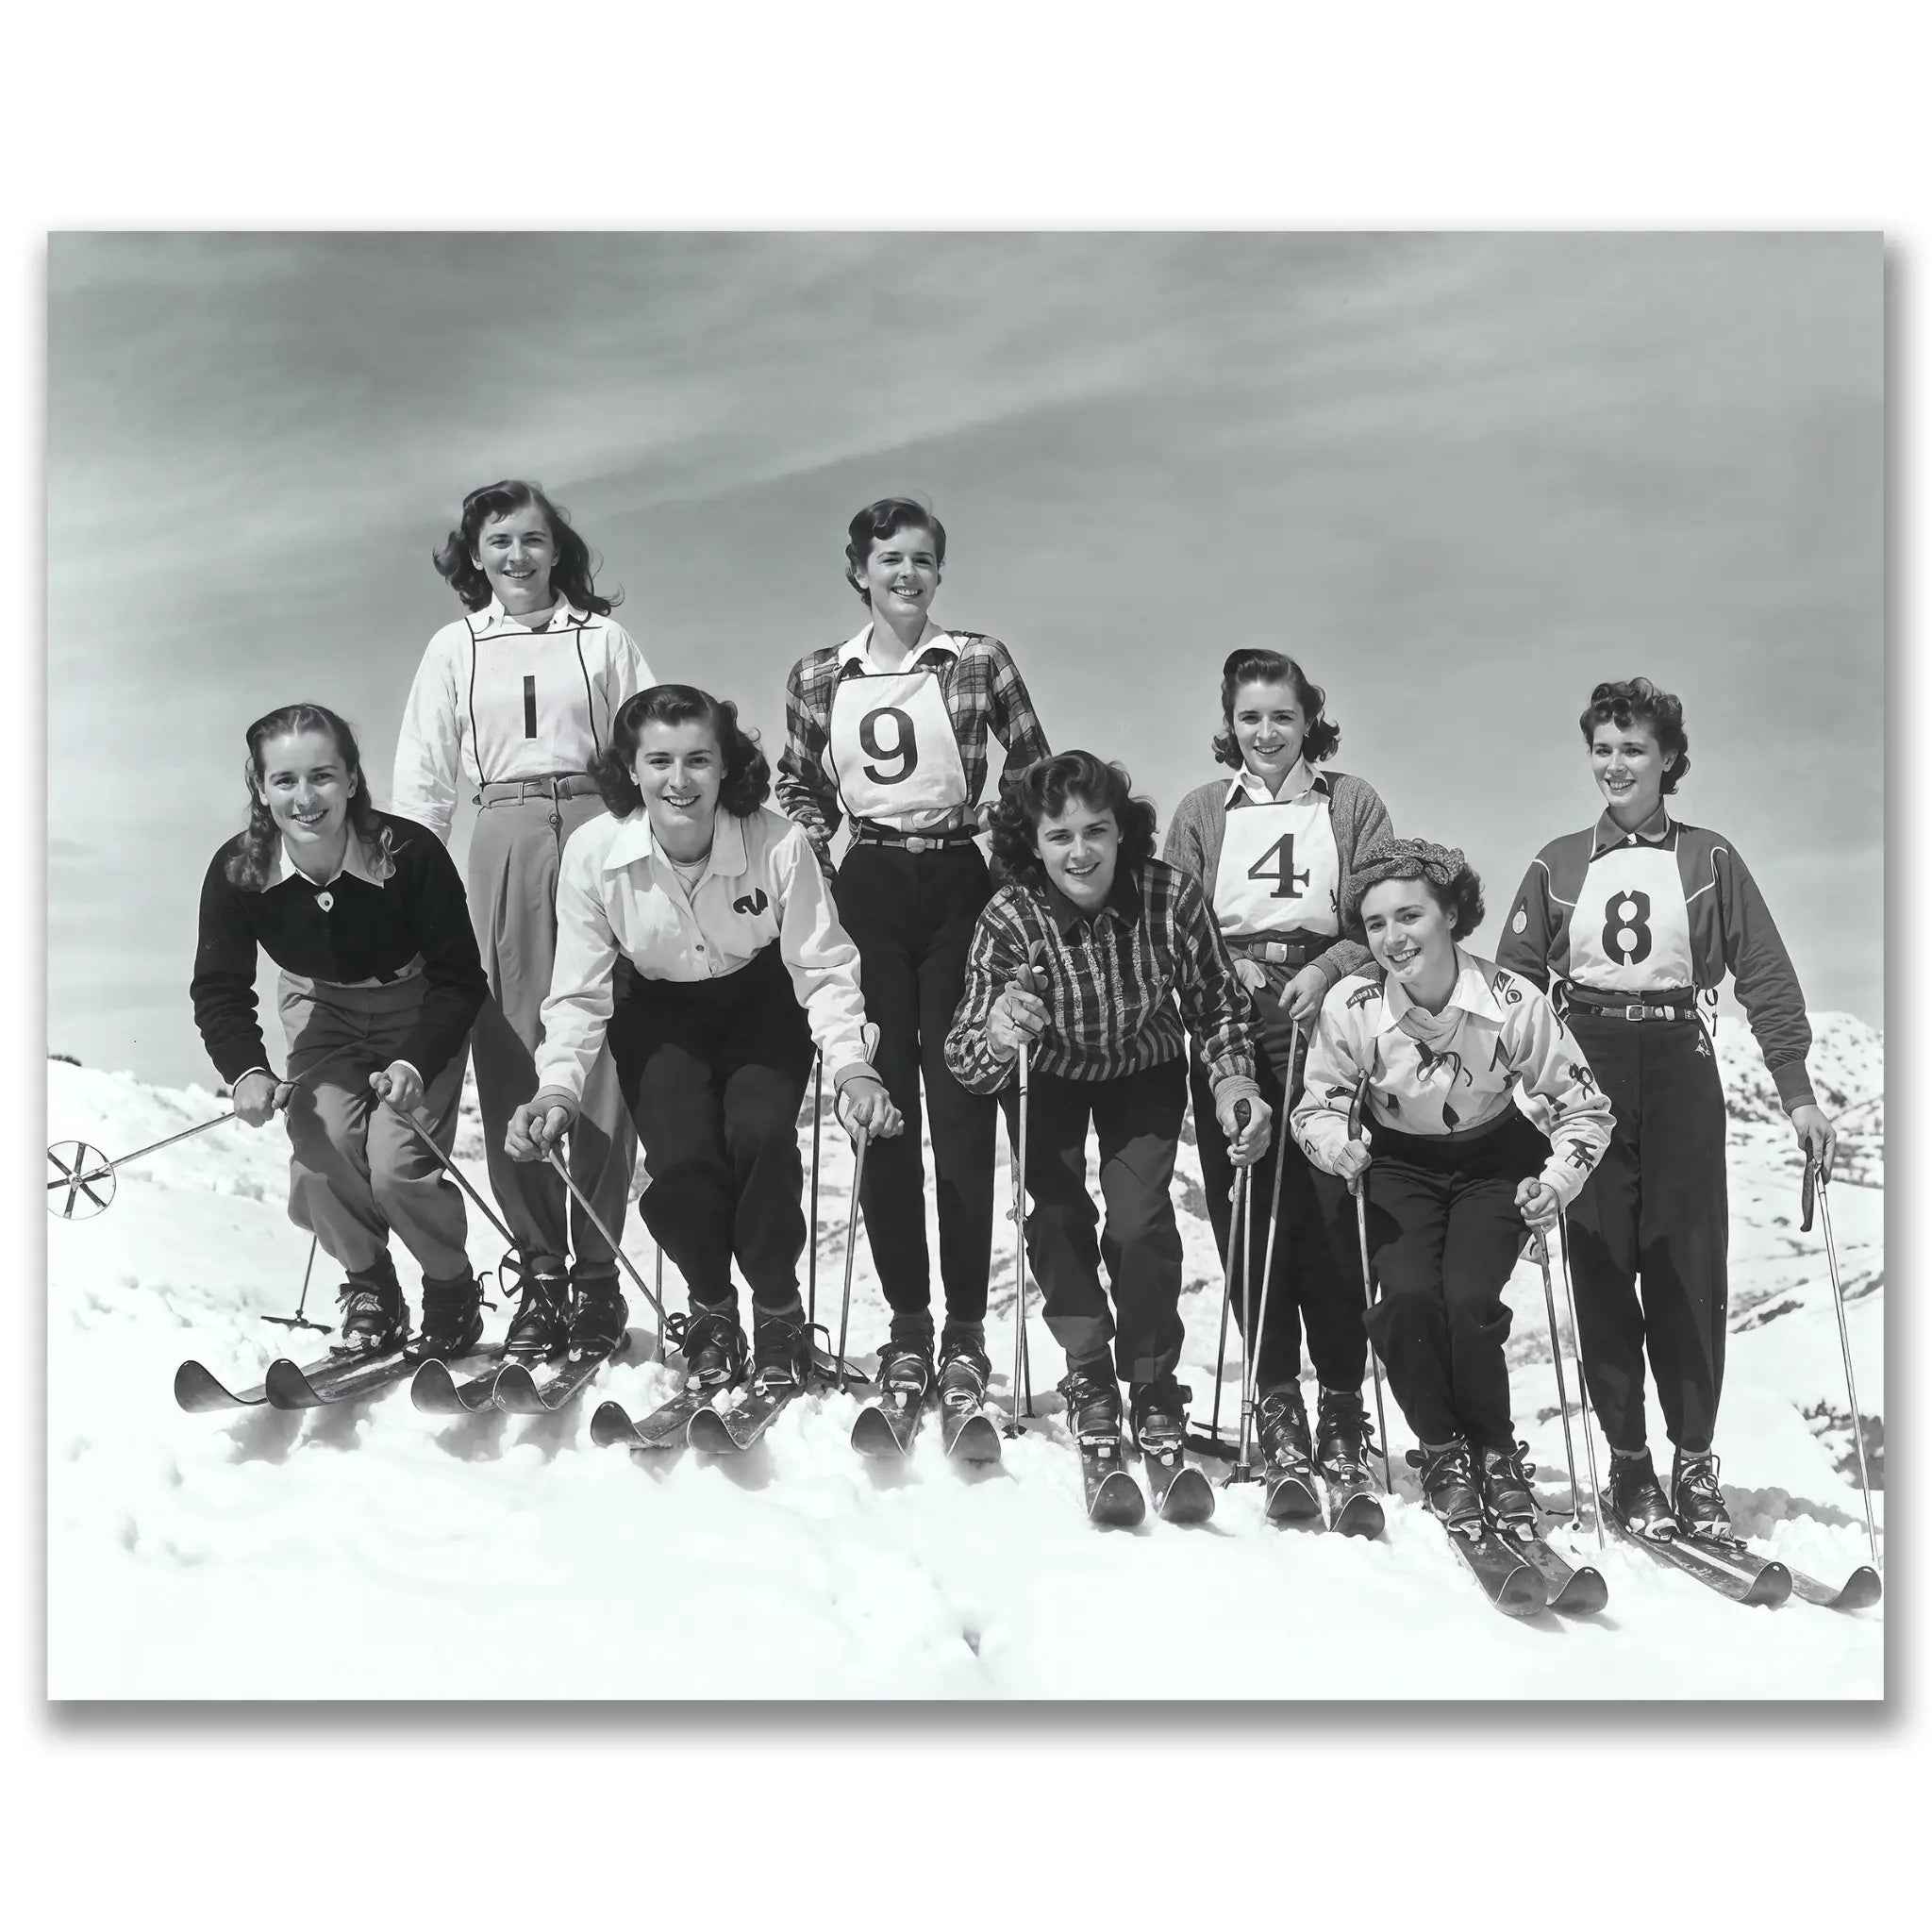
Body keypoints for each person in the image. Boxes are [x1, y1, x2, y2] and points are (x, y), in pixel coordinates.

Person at [1495, 678, 1837, 1538]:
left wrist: (1795, 1092)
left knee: (1686, 1268)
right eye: (1603, 749)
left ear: (1669, 760)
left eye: (1633, 749)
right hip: (1591, 1063)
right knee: (1603, 1263)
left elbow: (1762, 972)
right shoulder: (1557, 862)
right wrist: (1521, 1090)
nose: (1616, 765)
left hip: (1681, 1060)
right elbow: (1513, 986)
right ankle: (1628, 1462)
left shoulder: (1709, 858)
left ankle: (1693, 1460)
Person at [505, 685, 903, 1397]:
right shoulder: (596, 852)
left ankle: (778, 1313)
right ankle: (713, 1311)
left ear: (727, 768)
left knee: (761, 1138)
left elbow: (823, 966)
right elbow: (579, 989)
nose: (678, 780)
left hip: (761, 1002)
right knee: (682, 1158)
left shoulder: (777, 842)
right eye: (659, 760)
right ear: (632, 768)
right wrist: (558, 1085)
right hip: (659, 1010)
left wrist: (852, 1070)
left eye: (698, 760)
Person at [776, 497, 1050, 1413]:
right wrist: (818, 858)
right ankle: (906, 1323)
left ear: (939, 571)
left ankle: (966, 1328)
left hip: (957, 884)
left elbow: (1035, 764)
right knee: (880, 1103)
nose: (906, 573)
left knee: (963, 1103)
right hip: (870, 886)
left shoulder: (974, 658)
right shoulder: (820, 673)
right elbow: (800, 782)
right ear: (858, 569)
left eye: (922, 559)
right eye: (889, 558)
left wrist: (1002, 844)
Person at [944, 751, 1269, 1459]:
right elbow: (965, 1057)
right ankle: (1089, 1371)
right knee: (1057, 1217)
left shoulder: (1169, 897)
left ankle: (1152, 1382)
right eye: (1059, 836)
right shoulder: (1010, 917)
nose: (1080, 851)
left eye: (1096, 831)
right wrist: (1000, 1031)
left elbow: (1218, 1006)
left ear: (1123, 832)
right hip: (1051, 1075)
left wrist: (1235, 1081)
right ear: (1033, 843)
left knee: (1141, 1222)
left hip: (1141, 1070)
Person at [391, 479, 651, 1361]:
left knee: (599, 1043)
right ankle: (540, 1270)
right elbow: (425, 775)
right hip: (500, 832)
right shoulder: (455, 647)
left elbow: (652, 742)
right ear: (474, 554)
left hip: (595, 823)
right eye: (498, 541)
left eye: (533, 540)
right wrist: (409, 884)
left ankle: (599, 1271)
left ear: (557, 549)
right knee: (508, 1043)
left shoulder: (603, 638)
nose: (517, 557)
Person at [1292, 837, 1613, 1535]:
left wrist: (1555, 1182)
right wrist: (1334, 1148)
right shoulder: (1352, 1004)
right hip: (1398, 1163)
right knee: (1406, 1301)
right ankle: (1441, 1450)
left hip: (1493, 1158)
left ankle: (1495, 1452)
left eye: (1409, 916)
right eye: (1376, 924)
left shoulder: (1511, 1001)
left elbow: (1584, 1108)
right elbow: (1315, 1106)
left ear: (1450, 915)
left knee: (1468, 1300)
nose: (1392, 938)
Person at [1163, 647, 1392, 1497]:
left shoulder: (1351, 802)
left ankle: (1340, 1399)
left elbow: (1384, 910)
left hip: (1329, 1014)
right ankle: (1275, 1395)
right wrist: (1229, 969)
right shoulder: (1201, 811)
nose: (1267, 732)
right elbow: (1177, 923)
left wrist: (1328, 969)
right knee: (1251, 1207)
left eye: (1283, 717)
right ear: (1230, 723)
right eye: (1250, 717)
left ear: (1309, 720)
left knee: (1331, 1207)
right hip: (1231, 1018)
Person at [192, 704, 490, 1356]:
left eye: (322, 776)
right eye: (285, 781)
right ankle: (370, 1290)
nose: (305, 798)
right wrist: (246, 1070)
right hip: (322, 1010)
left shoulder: (409, 854)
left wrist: (415, 1063)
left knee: (396, 1165)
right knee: (319, 1149)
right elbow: (219, 989)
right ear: (261, 789)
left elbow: (461, 979)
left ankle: (451, 1291)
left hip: (420, 1006)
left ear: (352, 780)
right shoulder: (239, 872)